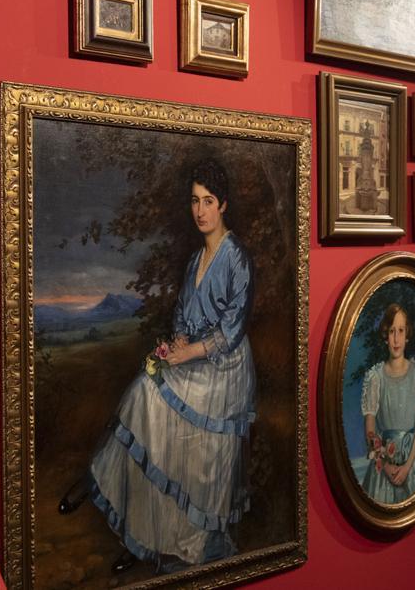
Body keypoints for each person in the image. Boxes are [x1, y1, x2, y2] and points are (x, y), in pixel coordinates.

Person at [59, 158, 255, 576]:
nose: (200, 210)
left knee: (177, 440)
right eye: (194, 201)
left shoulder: (236, 257)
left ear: (223, 205)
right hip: (193, 357)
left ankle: (168, 536)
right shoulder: (195, 260)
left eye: (208, 201)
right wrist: (178, 340)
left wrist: (189, 351)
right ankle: (138, 526)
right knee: (144, 399)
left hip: (223, 370)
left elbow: (232, 331)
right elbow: (184, 311)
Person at [359, 304, 415, 505]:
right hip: (384, 460)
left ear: (407, 335)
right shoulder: (376, 377)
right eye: (391, 331)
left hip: (412, 459)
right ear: (385, 335)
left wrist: (407, 467)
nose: (396, 339)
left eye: (401, 331)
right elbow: (370, 429)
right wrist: (385, 465)